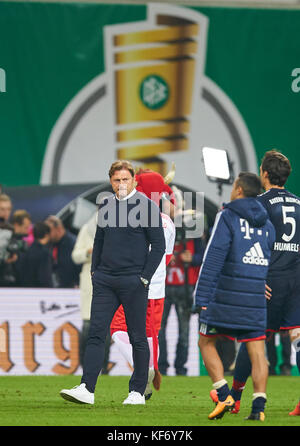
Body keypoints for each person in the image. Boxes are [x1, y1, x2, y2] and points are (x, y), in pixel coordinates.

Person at [60, 160, 166, 406]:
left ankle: (137, 392)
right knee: (96, 334)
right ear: (111, 181)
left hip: (133, 281)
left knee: (137, 336)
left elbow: (158, 246)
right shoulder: (106, 207)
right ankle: (87, 388)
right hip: (106, 280)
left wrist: (144, 277)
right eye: (117, 180)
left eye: (125, 179)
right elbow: (99, 241)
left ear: (134, 181)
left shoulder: (148, 206)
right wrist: (95, 273)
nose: (121, 184)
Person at [194, 172, 275, 421]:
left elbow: (214, 257)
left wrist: (202, 297)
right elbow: (266, 260)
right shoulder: (268, 224)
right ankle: (258, 409)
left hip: (225, 296)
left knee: (205, 342)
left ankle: (224, 394)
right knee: (258, 353)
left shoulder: (227, 216)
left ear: (239, 189)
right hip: (254, 298)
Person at [227, 150, 300, 417]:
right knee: (298, 337)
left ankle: (234, 397)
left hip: (269, 282)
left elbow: (248, 244)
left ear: (265, 174)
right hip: (296, 279)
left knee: (253, 338)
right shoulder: (299, 203)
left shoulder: (259, 203)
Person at [110, 168, 176, 399]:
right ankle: (145, 382)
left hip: (133, 287)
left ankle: (143, 370)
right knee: (149, 336)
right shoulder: (168, 222)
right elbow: (166, 258)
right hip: (157, 291)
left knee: (117, 330)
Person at [158, 185, 206, 376]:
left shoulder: (192, 225)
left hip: (184, 285)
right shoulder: (160, 224)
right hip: (165, 285)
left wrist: (192, 259)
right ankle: (162, 365)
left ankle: (180, 367)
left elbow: (203, 255)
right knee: (159, 330)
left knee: (183, 330)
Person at [45, 215, 81, 288]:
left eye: (49, 230)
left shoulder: (74, 243)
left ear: (58, 229)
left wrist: (78, 284)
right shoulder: (50, 244)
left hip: (72, 290)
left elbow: (80, 266)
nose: (47, 234)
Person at [19, 222, 53, 288]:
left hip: (25, 290)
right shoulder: (44, 254)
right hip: (39, 292)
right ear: (46, 235)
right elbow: (45, 278)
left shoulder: (27, 251)